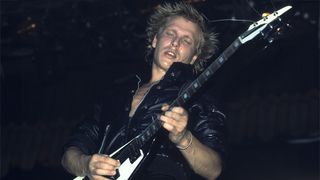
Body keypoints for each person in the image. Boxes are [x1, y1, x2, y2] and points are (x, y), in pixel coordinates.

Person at [61, 2, 225, 180]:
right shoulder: (116, 94)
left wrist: (183, 138)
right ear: (155, 39)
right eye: (170, 33)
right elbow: (69, 154)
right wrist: (86, 164)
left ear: (194, 57)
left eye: (186, 40)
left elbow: (213, 169)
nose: (176, 43)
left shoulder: (198, 97)